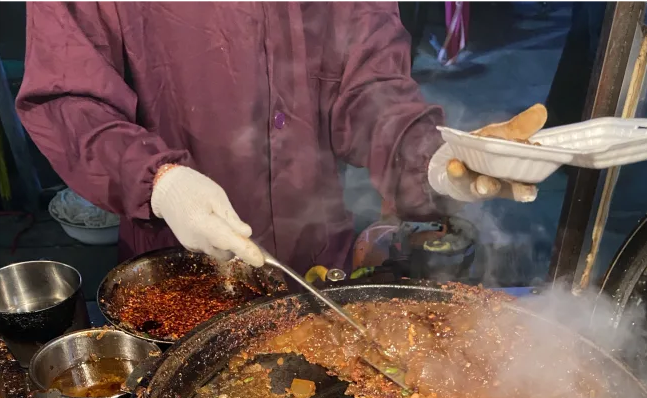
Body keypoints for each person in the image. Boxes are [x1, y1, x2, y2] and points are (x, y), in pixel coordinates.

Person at [16, 1, 537, 273]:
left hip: (315, 266)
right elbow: (69, 96)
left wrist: (437, 159)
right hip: (179, 265)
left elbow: (369, 86)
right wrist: (159, 180)